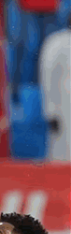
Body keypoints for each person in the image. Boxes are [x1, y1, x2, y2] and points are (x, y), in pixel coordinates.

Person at [39, 13, 71, 162]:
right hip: (63, 106)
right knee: (61, 148)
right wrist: (50, 110)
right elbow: (47, 76)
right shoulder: (56, 42)